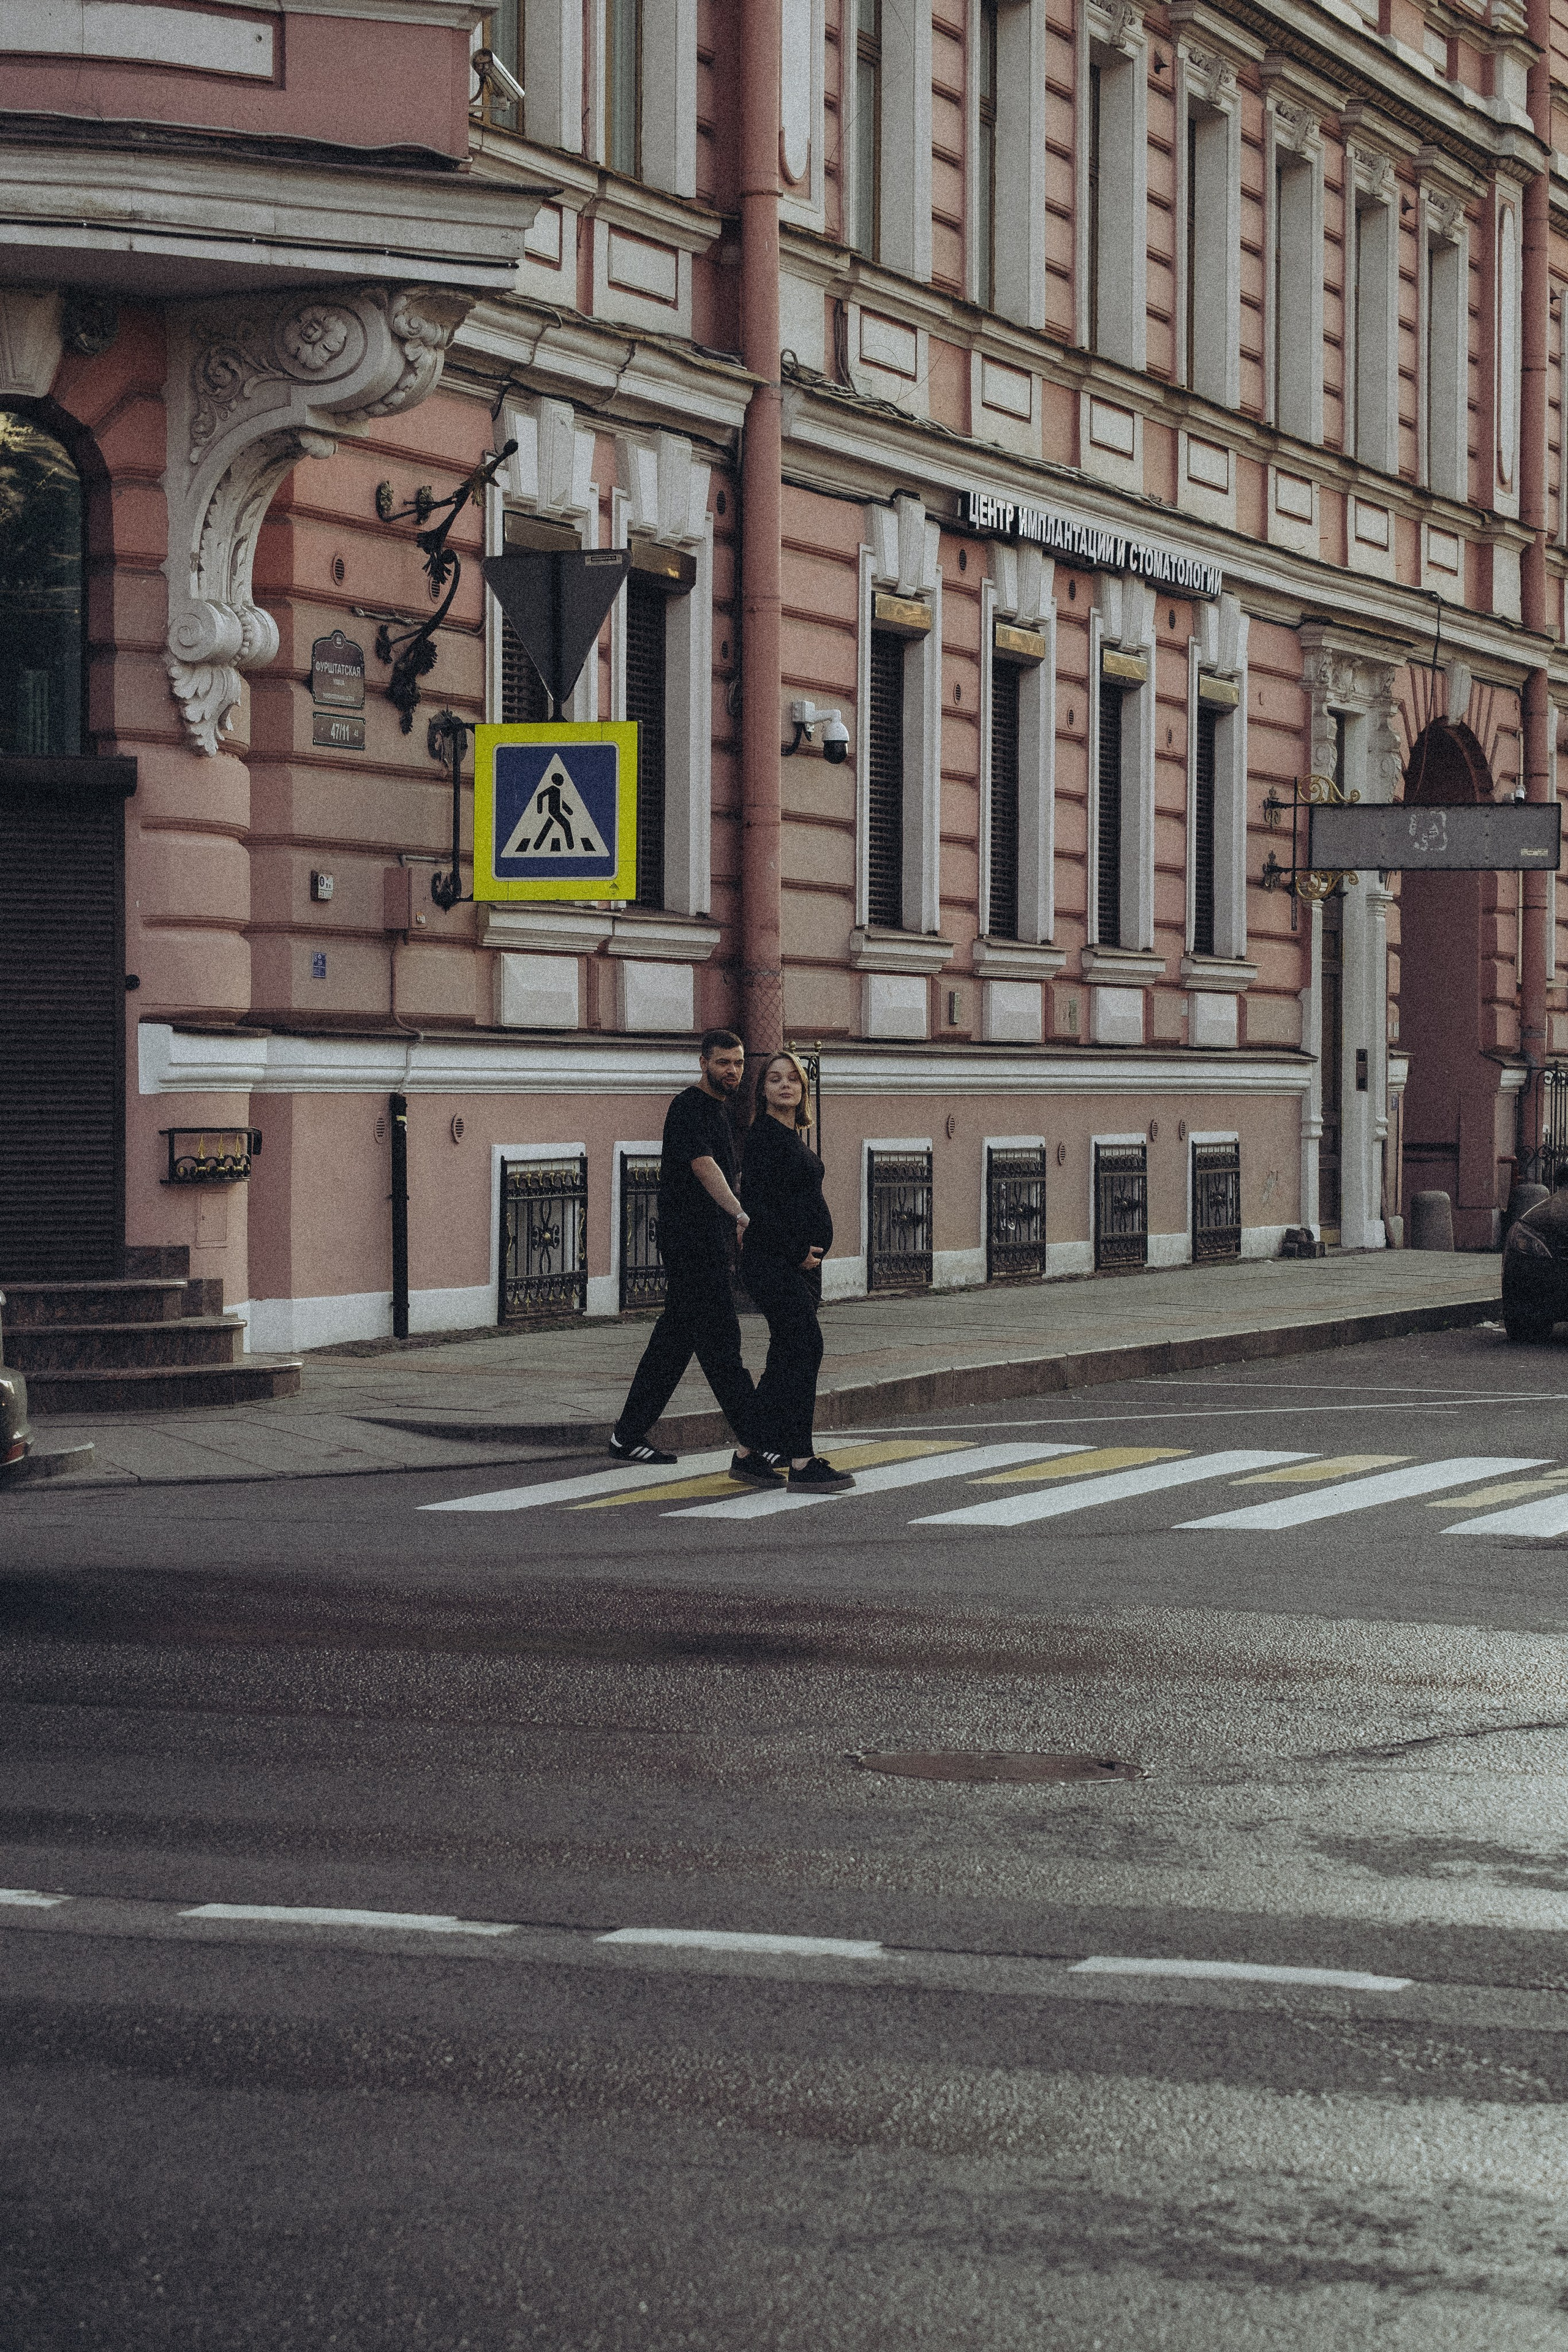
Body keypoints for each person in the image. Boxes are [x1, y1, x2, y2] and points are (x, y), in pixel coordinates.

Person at [609, 1030, 780, 1484]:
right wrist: (741, 1214)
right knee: (723, 1347)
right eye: (724, 1062)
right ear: (702, 1062)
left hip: (707, 1243)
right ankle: (757, 1440)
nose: (733, 1071)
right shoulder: (688, 1107)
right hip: (691, 1245)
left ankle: (627, 1436)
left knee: (672, 1346)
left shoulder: (718, 1112)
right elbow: (704, 1167)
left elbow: (725, 1171)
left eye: (740, 1064)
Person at [738, 1050, 854, 1490]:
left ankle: (749, 1454)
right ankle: (802, 1462)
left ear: (804, 1089)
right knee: (805, 1348)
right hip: (774, 1264)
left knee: (787, 1355)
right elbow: (758, 1209)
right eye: (774, 1079)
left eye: (793, 1079)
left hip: (796, 1267)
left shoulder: (789, 1137)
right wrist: (796, 1253)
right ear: (763, 1091)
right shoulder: (764, 1137)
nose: (785, 1085)